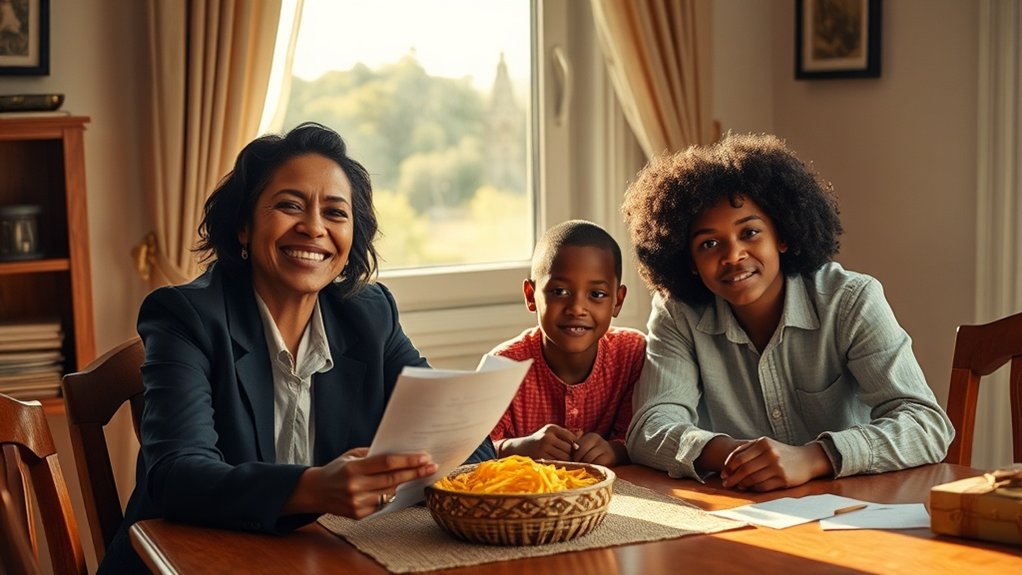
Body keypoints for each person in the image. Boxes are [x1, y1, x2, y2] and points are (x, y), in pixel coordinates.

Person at [100, 123, 495, 572]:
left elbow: (457, 433)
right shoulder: (185, 315)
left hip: (312, 559)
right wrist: (313, 488)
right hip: (189, 561)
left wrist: (485, 452)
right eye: (289, 206)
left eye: (335, 213)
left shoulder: (370, 314)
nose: (313, 228)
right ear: (244, 227)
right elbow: (176, 476)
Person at [622, 133, 954, 492]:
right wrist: (732, 454)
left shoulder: (851, 300)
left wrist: (814, 457)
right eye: (709, 244)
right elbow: (649, 428)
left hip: (855, 510)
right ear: (689, 261)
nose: (733, 256)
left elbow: (926, 426)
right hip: (743, 512)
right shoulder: (678, 313)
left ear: (782, 235)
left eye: (749, 232)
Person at [488, 220, 645, 467]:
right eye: (560, 291)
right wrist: (518, 448)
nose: (576, 309)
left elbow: (645, 435)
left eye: (597, 295)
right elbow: (474, 451)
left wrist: (616, 451)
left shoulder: (633, 354)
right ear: (531, 296)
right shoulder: (503, 365)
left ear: (617, 300)